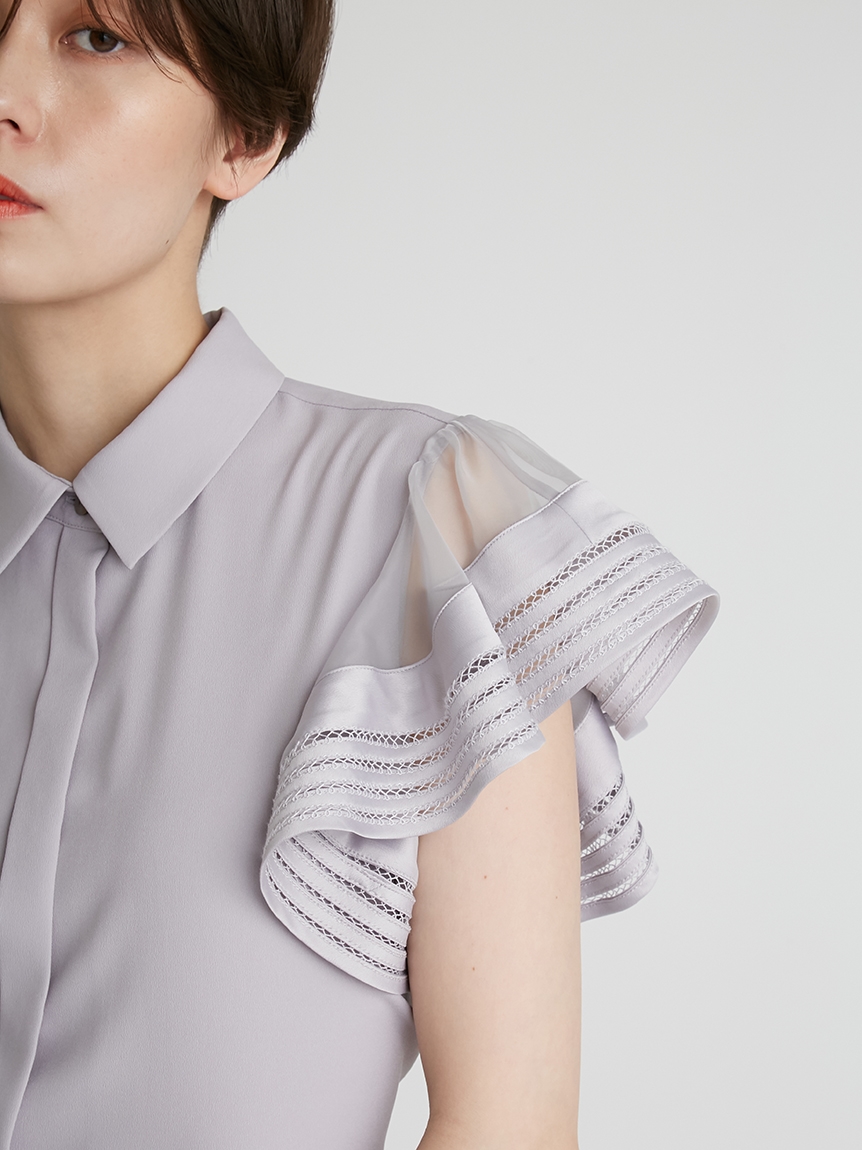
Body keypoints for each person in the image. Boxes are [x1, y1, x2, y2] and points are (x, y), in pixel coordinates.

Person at [0, 0, 719, 1147]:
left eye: (97, 36)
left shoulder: (432, 537)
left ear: (245, 137)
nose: (6, 95)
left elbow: (507, 1124)